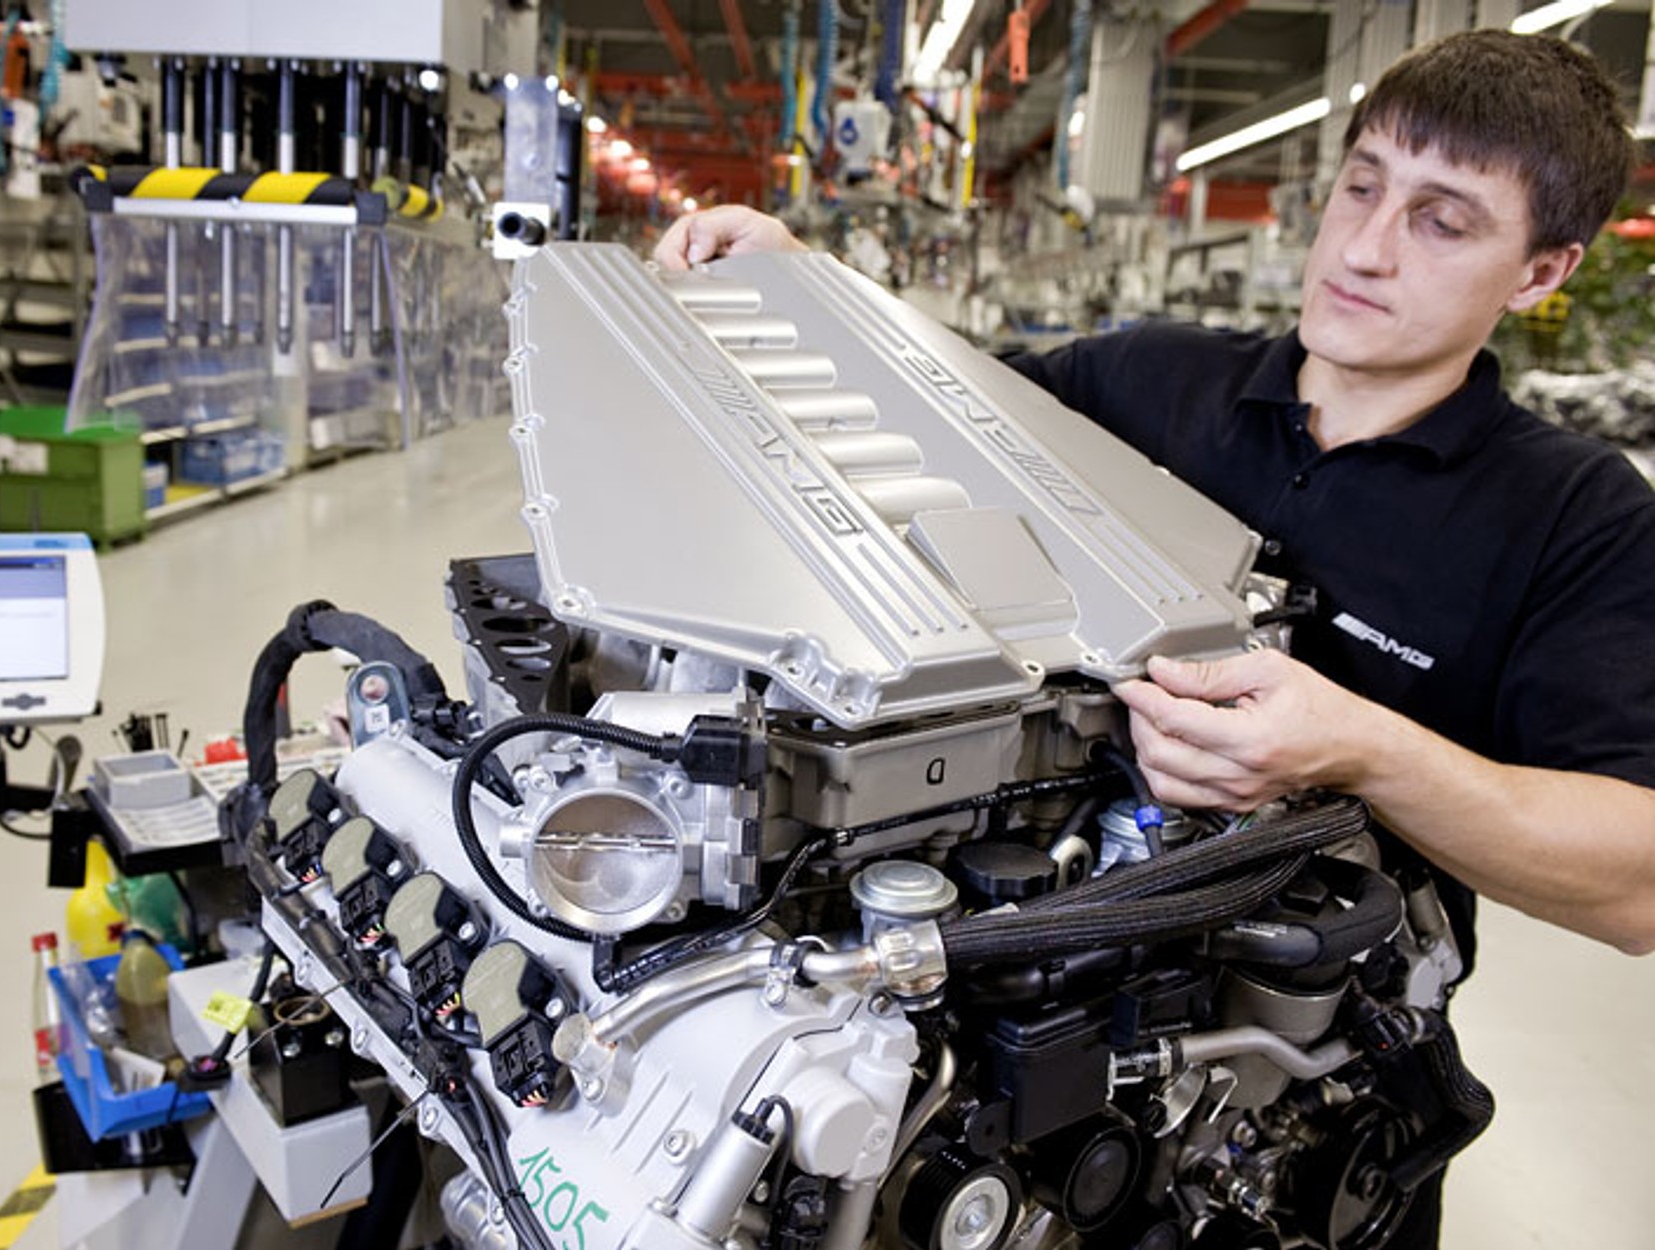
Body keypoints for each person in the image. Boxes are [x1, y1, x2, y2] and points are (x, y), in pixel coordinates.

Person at [657, 29, 1654, 1248]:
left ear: (1540, 272)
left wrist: (1361, 751)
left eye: (1441, 221)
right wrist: (799, 281)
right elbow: (920, 408)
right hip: (1017, 1033)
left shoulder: (1576, 518)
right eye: (1360, 185)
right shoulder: (1146, 381)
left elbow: (1634, 879)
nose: (1362, 245)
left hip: (1286, 1100)